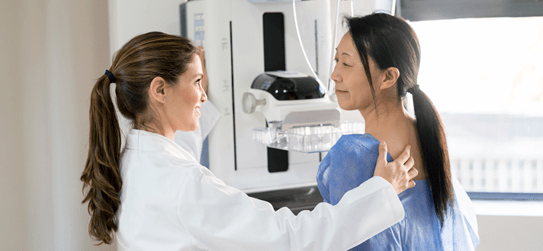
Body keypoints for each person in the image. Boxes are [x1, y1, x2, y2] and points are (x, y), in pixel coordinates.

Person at [80, 31, 418, 250]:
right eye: (197, 82)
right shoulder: (183, 183)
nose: (202, 94)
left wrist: (197, 87)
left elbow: (180, 157)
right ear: (160, 90)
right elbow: (292, 238)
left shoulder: (132, 159)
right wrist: (382, 192)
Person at [317, 13, 479, 250]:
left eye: (347, 63)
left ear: (388, 77)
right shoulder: (428, 137)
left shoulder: (353, 155)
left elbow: (344, 241)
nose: (335, 75)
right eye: (336, 61)